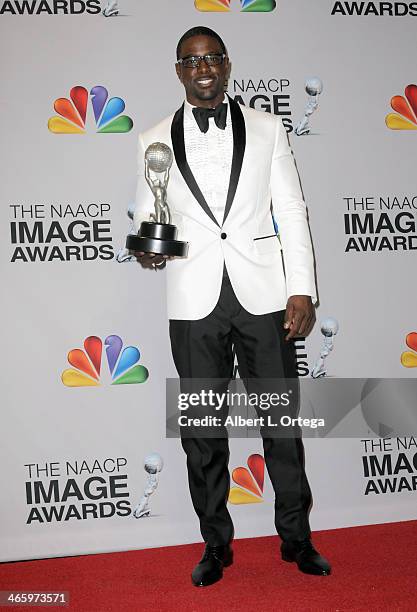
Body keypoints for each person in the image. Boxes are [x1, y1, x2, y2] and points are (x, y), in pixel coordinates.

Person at [133, 26, 331, 586]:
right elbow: (148, 212)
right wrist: (150, 245)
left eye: (214, 58)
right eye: (193, 61)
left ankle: (296, 539)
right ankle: (215, 545)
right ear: (178, 70)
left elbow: (291, 210)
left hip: (265, 296)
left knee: (281, 424)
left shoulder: (269, 128)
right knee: (202, 429)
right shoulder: (151, 137)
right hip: (194, 299)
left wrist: (302, 288)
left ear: (226, 64)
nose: (204, 68)